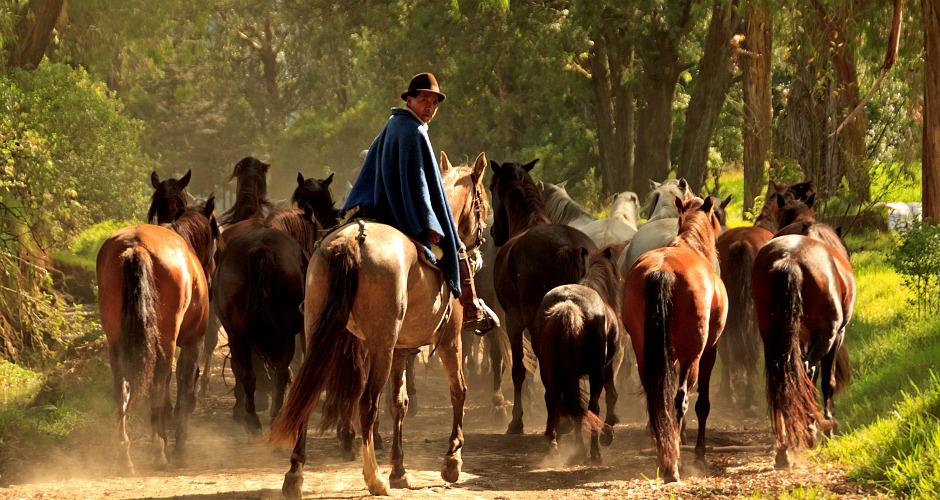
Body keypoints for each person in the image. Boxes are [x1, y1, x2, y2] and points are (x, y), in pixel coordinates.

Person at [341, 72, 498, 334]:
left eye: (435, 103)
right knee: (456, 247)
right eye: (424, 100)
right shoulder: (414, 131)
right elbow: (421, 185)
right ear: (410, 99)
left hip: (379, 207)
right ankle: (470, 309)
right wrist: (428, 222)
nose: (430, 107)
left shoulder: (393, 124)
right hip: (402, 215)